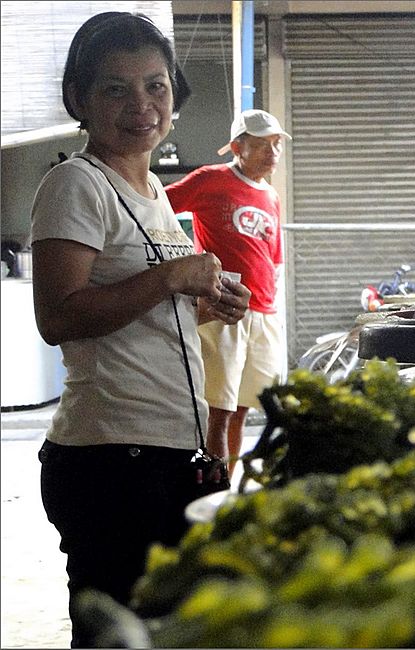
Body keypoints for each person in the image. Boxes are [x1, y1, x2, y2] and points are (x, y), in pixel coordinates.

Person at [29, 12, 250, 647]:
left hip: (164, 449)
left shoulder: (153, 186)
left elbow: (142, 311)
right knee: (119, 634)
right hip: (108, 458)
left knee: (164, 627)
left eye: (156, 85)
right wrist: (171, 279)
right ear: (80, 99)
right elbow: (59, 317)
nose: (142, 105)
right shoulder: (77, 182)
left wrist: (206, 303)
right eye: (115, 88)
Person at [165, 109, 289, 474]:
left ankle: (226, 491)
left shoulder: (271, 195)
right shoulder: (209, 179)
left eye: (277, 144)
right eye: (263, 144)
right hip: (224, 310)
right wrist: (181, 263)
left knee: (242, 410)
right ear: (237, 146)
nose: (273, 152)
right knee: (216, 413)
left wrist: (274, 303)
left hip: (264, 313)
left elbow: (274, 256)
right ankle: (209, 497)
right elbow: (155, 211)